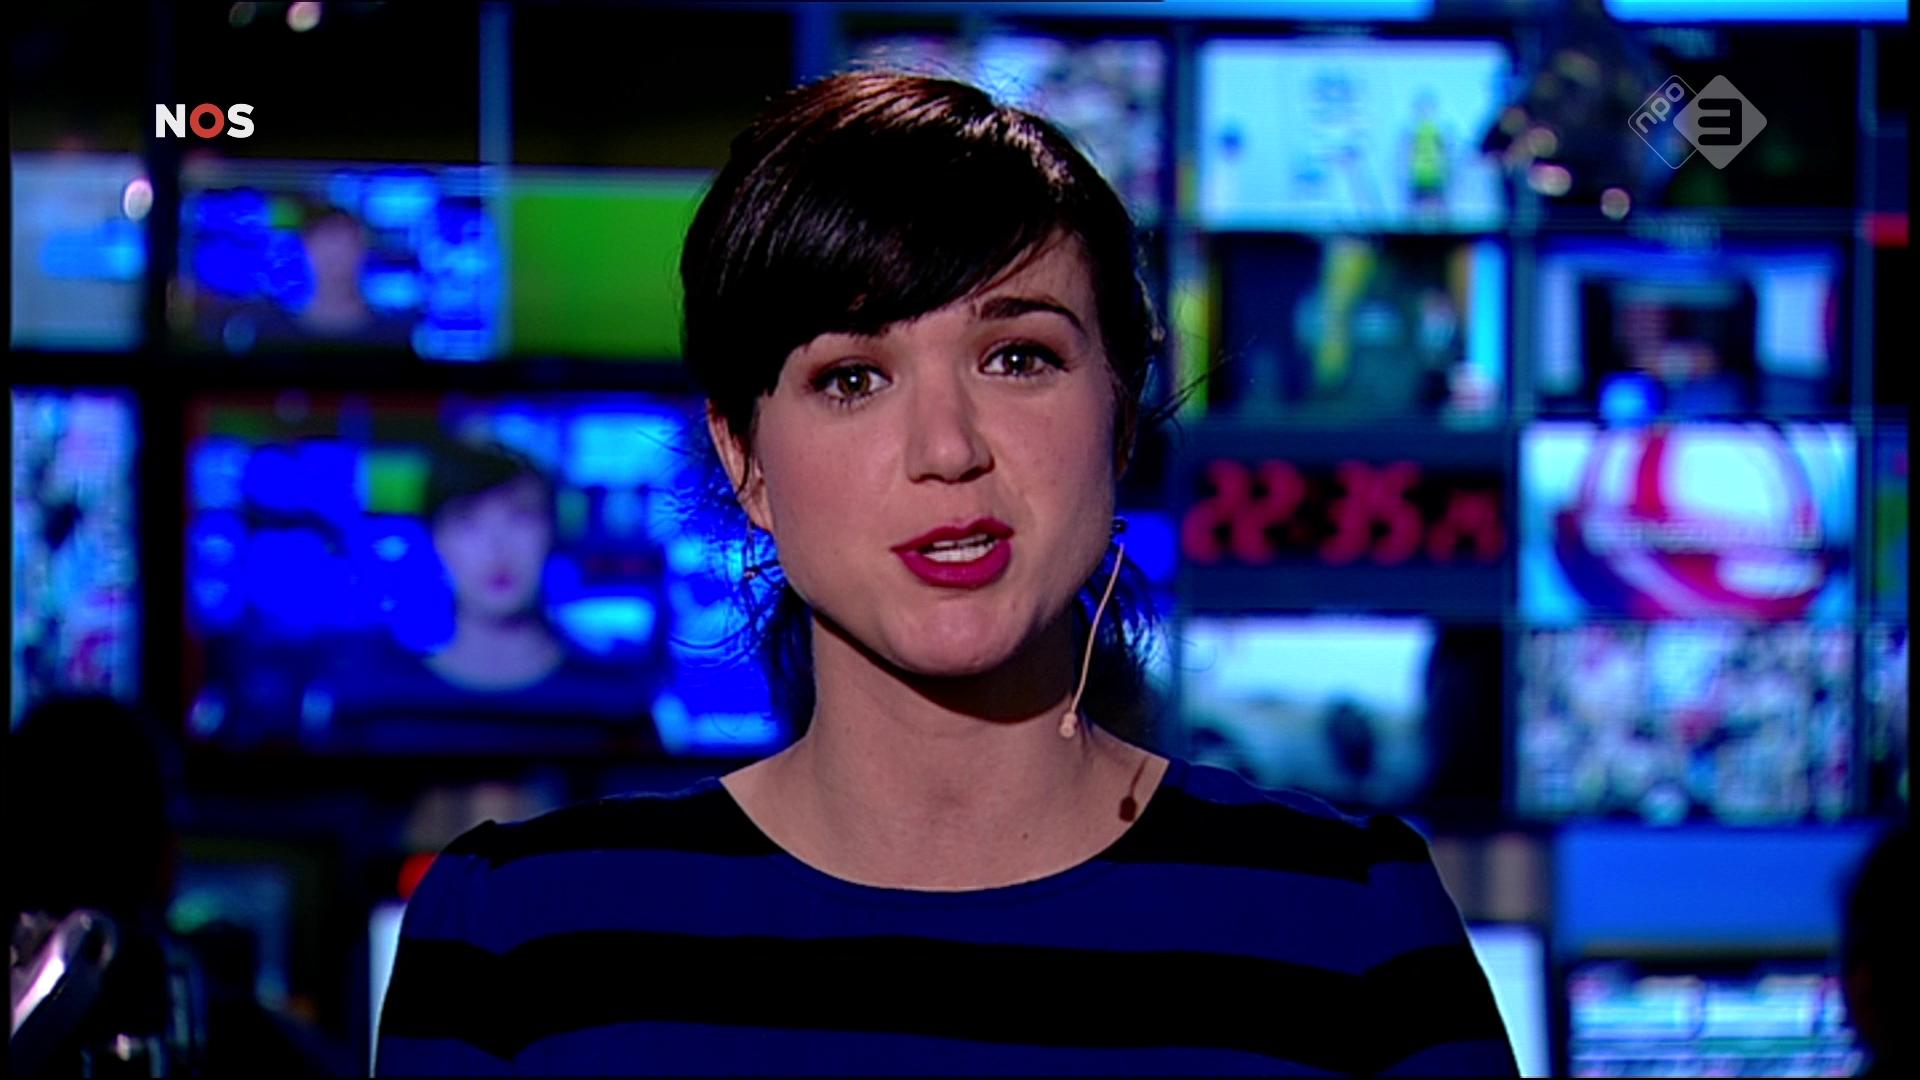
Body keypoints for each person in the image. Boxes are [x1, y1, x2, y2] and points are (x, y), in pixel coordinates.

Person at [375, 70, 1517, 1075]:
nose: (947, 449)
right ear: (745, 459)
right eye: (852, 378)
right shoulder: (517, 942)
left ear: (1119, 413)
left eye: (1017, 357)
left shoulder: (1351, 927)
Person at [309, 439, 663, 753]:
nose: (497, 548)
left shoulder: (616, 704)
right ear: (436, 539)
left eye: (520, 517)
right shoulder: (374, 705)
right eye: (468, 522)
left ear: (553, 532)